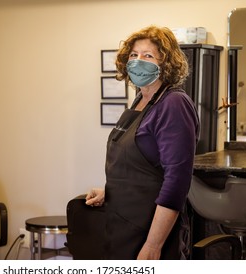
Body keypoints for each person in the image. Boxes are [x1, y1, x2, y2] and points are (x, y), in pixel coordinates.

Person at [85, 25, 200, 260]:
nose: (138, 61)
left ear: (166, 63)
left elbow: (176, 181)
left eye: (148, 56)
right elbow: (141, 170)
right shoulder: (140, 100)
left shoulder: (173, 104)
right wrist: (111, 191)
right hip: (121, 225)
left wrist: (153, 245)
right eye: (134, 55)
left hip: (149, 233)